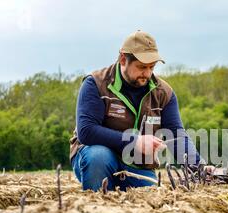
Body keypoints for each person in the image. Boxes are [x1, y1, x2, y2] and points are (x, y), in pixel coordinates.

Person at [69, 30, 212, 191]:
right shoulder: (95, 84)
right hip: (96, 156)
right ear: (123, 59)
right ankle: (96, 205)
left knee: (154, 194)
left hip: (138, 166)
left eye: (152, 67)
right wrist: (135, 141)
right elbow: (86, 131)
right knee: (99, 157)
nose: (148, 73)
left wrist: (199, 168)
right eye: (142, 67)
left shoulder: (164, 93)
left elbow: (176, 135)